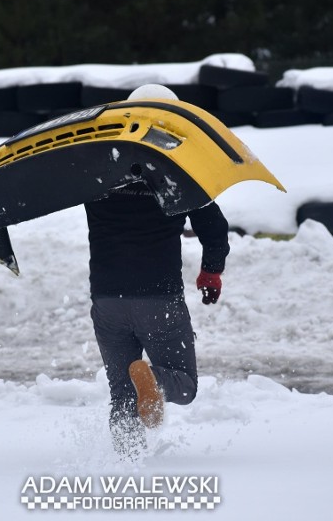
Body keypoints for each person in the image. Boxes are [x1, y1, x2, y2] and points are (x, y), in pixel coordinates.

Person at [85, 85, 230, 458]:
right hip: (158, 298)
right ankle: (154, 378)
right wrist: (211, 272)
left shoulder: (97, 167)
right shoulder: (177, 172)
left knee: (121, 392)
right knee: (183, 384)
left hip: (107, 299)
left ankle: (128, 464)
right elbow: (214, 228)